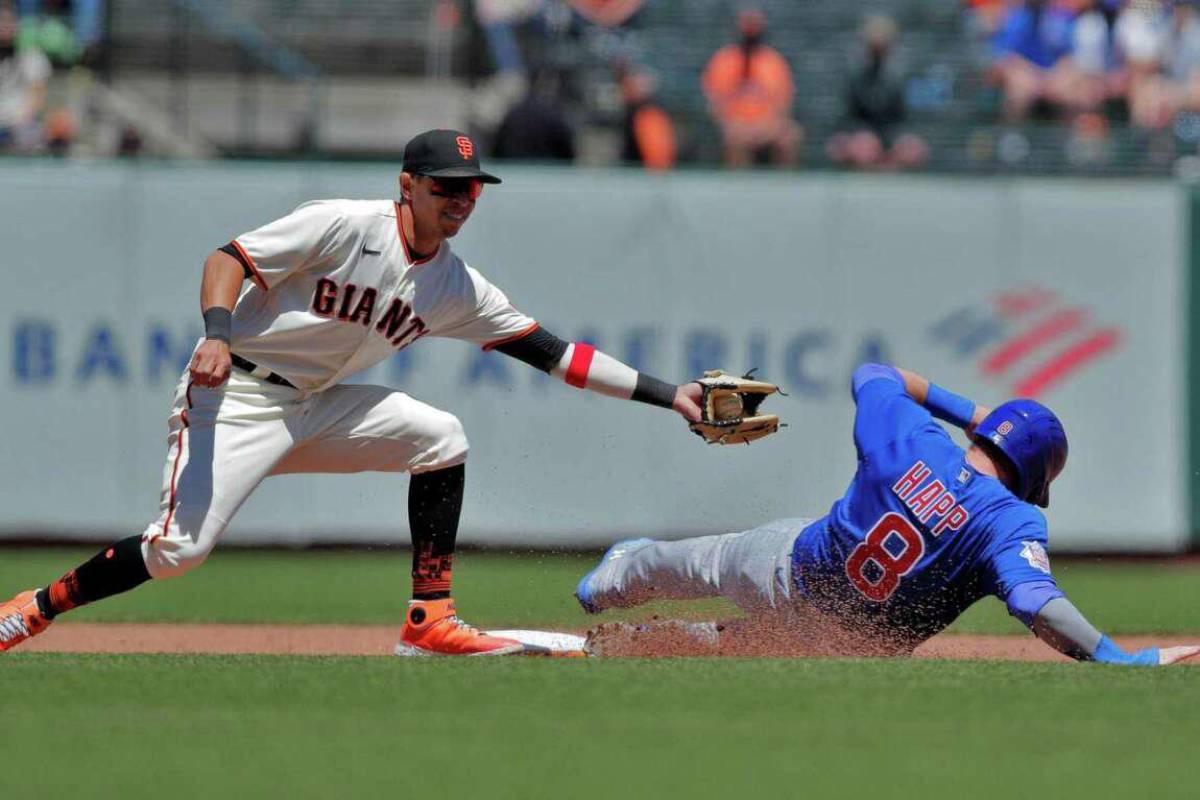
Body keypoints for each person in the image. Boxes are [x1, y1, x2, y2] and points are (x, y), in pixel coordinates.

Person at [0, 128, 704, 657]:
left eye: (472, 188)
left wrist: (671, 396)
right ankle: (37, 605)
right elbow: (228, 259)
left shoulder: (456, 286)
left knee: (442, 437)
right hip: (236, 395)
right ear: (408, 185)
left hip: (316, 403)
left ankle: (430, 618)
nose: (461, 200)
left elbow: (558, 356)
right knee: (178, 553)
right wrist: (216, 331)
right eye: (445, 186)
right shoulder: (343, 224)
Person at [576, 363, 1200, 666]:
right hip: (855, 648)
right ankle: (633, 640)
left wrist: (970, 412)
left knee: (693, 565)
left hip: (789, 570)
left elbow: (873, 373)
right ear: (1036, 475)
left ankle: (612, 583)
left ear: (991, 436)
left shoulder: (913, 438)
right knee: (737, 648)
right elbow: (1039, 605)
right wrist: (1117, 656)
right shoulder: (1011, 521)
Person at [700, 5, 802, 168]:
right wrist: (732, 124)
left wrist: (767, 126)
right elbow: (713, 102)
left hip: (767, 124)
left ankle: (784, 188)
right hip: (735, 125)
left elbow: (784, 101)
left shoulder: (773, 60)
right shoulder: (724, 59)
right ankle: (737, 187)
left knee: (790, 135)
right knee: (734, 138)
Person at [827, 14, 928, 171]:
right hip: (860, 130)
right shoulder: (853, 72)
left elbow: (903, 116)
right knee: (863, 146)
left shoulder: (900, 73)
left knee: (912, 149)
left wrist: (899, 140)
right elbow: (848, 115)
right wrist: (860, 135)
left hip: (892, 131)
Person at [0, 1, 50, 151]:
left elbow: (37, 95)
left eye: (9, 21)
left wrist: (17, 120)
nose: (6, 26)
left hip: (19, 123)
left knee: (30, 133)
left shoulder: (32, 57)